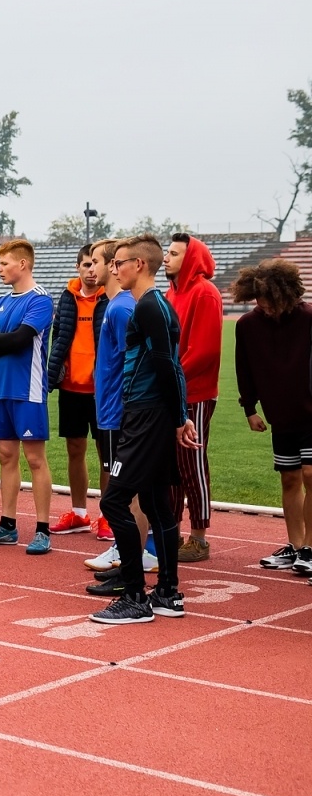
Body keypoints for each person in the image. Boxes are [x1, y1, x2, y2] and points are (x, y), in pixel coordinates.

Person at [90, 235, 199, 624]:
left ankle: (136, 596)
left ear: (139, 264)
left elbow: (167, 366)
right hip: (152, 414)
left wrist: (175, 418)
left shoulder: (150, 307)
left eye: (119, 262)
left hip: (146, 416)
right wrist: (180, 415)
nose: (114, 269)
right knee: (155, 503)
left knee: (114, 501)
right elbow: (172, 365)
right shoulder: (156, 306)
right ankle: (167, 592)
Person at [0, 239, 55, 554]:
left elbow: (21, 340)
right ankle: (7, 525)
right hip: (3, 390)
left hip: (29, 389)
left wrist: (0, 339)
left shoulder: (41, 300)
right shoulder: (2, 300)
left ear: (22, 264)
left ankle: (43, 529)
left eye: (4, 263)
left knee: (35, 458)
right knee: (6, 456)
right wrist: (4, 339)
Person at [83, 238, 159, 584]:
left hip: (120, 411)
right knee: (124, 489)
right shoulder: (114, 305)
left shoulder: (122, 308)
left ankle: (133, 556)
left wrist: (127, 409)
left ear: (114, 265)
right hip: (111, 409)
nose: (91, 267)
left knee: (126, 491)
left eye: (96, 261)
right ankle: (129, 552)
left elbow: (141, 363)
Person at [230, 261, 312, 579]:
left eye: (266, 297)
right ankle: (294, 545)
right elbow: (244, 368)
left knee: (310, 474)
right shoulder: (247, 325)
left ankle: (309, 548)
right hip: (281, 416)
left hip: (311, 415)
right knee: (289, 479)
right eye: (257, 297)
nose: (261, 304)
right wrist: (249, 408)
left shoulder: (308, 317)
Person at [164, 233, 223, 562]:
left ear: (191, 258)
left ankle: (199, 537)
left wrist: (171, 379)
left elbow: (205, 351)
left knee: (191, 462)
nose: (166, 258)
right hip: (172, 390)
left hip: (195, 393)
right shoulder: (171, 293)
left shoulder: (205, 293)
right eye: (167, 252)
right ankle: (170, 531)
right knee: (171, 465)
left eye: (174, 253)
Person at [46, 244, 109, 536]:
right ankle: (80, 513)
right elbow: (59, 336)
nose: (90, 270)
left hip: (102, 390)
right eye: (85, 265)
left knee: (106, 453)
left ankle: (109, 515)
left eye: (94, 264)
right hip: (71, 387)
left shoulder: (110, 298)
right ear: (78, 267)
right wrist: (55, 372)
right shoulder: (68, 297)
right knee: (75, 449)